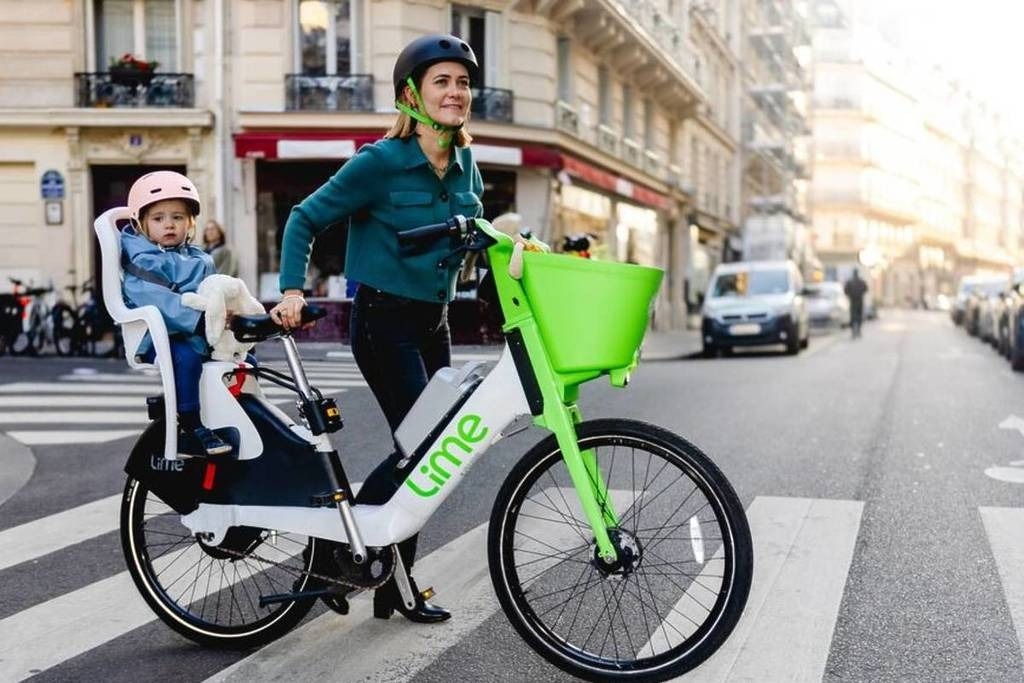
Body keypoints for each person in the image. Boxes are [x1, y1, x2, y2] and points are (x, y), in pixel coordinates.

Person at [269, 33, 484, 625]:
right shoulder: (380, 162)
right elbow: (304, 218)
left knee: (428, 455)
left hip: (434, 321)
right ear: (411, 95)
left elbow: (478, 234)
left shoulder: (466, 164)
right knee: (423, 446)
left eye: (463, 82)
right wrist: (292, 290)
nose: (456, 92)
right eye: (442, 81)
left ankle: (391, 583)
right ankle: (337, 556)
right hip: (383, 320)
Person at [121, 171, 233, 456]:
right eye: (158, 218)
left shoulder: (199, 257)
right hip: (157, 336)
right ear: (141, 223)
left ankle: (232, 414)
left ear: (190, 222)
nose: (169, 224)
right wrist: (201, 321)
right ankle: (192, 423)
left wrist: (230, 311)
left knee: (241, 361)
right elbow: (155, 298)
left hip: (198, 331)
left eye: (178, 217)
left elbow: (213, 289)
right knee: (187, 359)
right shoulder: (141, 260)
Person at [844, 268, 868, 338]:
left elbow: (845, 290)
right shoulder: (861, 281)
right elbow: (866, 289)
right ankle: (858, 330)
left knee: (853, 316)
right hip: (859, 300)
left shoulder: (850, 281)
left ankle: (853, 331)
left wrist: (849, 295)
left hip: (853, 301)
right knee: (859, 316)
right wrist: (861, 293)